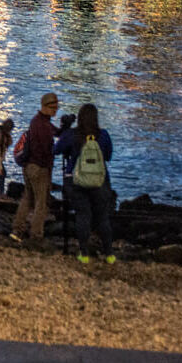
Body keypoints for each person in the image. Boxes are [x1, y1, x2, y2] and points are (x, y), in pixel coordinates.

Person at [54, 103, 115, 265]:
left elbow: (56, 150)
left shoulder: (72, 135)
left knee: (83, 215)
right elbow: (108, 156)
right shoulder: (104, 135)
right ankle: (109, 254)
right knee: (102, 217)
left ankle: (84, 253)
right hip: (99, 181)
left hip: (75, 181)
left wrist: (65, 131)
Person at [10, 92, 59, 244]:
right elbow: (47, 149)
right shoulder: (43, 125)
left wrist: (63, 129)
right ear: (45, 106)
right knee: (41, 203)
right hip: (39, 168)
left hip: (28, 166)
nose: (55, 110)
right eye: (53, 107)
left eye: (56, 107)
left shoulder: (37, 121)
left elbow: (56, 132)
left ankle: (17, 229)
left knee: (28, 198)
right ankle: (36, 235)